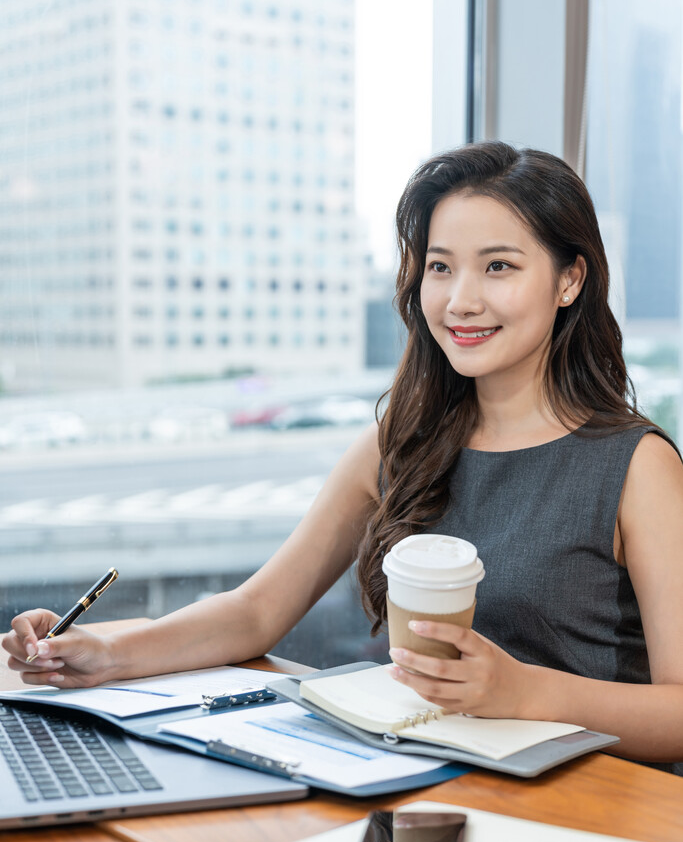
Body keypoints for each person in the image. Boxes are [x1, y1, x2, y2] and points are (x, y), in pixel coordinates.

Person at [3, 141, 683, 774]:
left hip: (593, 814)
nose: (459, 299)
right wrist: (104, 653)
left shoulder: (635, 466)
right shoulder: (402, 443)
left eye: (498, 266)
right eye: (440, 266)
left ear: (568, 281)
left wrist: (523, 691)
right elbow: (256, 612)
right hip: (423, 789)